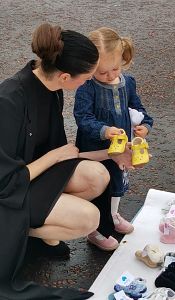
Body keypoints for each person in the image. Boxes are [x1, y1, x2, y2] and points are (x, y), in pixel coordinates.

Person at [0, 23, 133, 300]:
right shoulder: (8, 101)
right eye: (85, 78)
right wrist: (53, 156)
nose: (87, 83)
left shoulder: (51, 89)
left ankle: (39, 230)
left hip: (31, 177)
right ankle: (22, 233)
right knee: (89, 217)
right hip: (8, 192)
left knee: (97, 175)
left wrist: (113, 154)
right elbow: (6, 180)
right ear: (64, 76)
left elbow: (66, 154)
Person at [74, 27, 153, 251]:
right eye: (102, 72)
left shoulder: (128, 82)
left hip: (122, 147)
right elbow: (83, 117)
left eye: (115, 68)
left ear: (123, 61)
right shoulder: (87, 87)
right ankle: (96, 228)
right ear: (90, 68)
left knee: (118, 182)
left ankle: (112, 215)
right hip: (96, 147)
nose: (110, 75)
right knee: (100, 185)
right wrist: (104, 130)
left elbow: (138, 108)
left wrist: (144, 126)